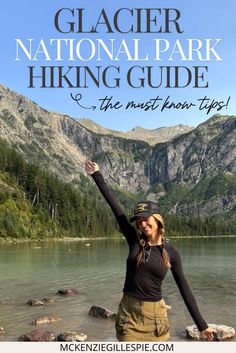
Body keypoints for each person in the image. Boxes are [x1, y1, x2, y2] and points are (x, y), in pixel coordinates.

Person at [85, 160, 216, 342]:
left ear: (157, 219)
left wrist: (202, 325)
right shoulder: (135, 242)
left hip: (156, 318)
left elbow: (185, 289)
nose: (142, 224)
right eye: (138, 221)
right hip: (129, 315)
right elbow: (117, 211)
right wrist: (97, 175)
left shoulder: (171, 252)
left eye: (146, 219)